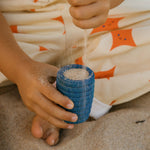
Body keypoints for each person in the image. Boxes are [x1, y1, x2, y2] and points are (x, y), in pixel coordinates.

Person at [0, 0, 150, 146]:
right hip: (19, 29)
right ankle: (60, 100)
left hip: (106, 19)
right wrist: (19, 68)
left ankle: (74, 101)